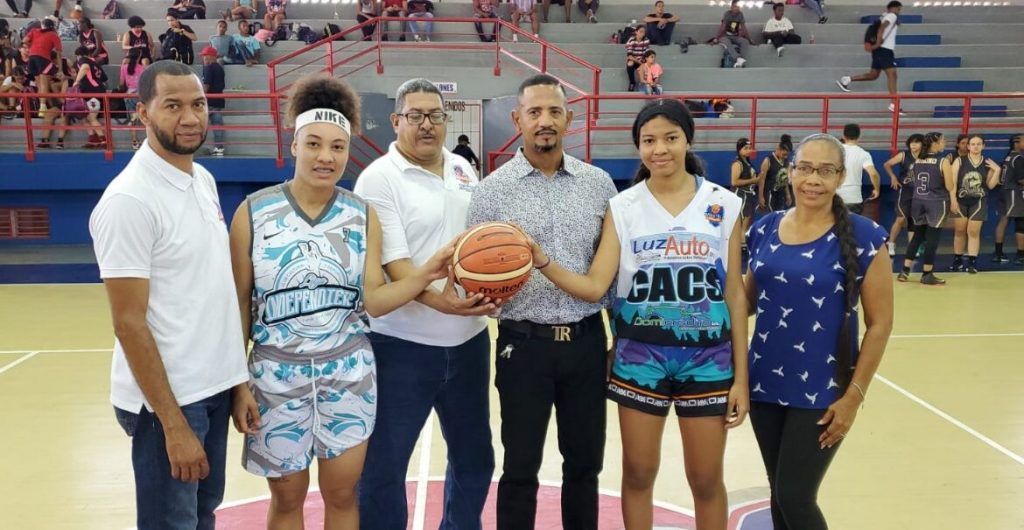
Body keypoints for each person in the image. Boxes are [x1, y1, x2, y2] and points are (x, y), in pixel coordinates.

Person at [228, 73, 456, 530]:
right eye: (313, 144)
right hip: (275, 377)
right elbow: (237, 310)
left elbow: (374, 299)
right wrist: (237, 385)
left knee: (341, 494)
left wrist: (428, 273)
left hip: (347, 374)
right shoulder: (253, 213)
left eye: (337, 146)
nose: (325, 156)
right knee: (288, 498)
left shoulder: (360, 214)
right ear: (294, 144)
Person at [530, 98, 748, 529]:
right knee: (638, 474)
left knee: (705, 479)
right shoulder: (624, 207)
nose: (659, 149)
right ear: (639, 147)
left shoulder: (723, 204)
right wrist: (542, 260)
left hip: (708, 361)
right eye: (648, 141)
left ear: (688, 140)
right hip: (639, 359)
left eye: (670, 138)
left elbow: (734, 295)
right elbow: (596, 286)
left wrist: (741, 377)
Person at [88, 60, 252, 530]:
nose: (190, 118)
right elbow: (128, 323)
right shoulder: (129, 202)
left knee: (202, 516)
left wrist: (236, 382)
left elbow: (213, 294)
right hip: (169, 404)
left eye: (198, 105)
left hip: (213, 389)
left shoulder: (200, 179)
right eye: (172, 106)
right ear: (143, 113)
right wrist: (173, 425)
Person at [467, 74, 617, 530]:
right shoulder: (491, 190)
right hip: (523, 345)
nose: (544, 121)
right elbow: (472, 278)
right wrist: (481, 294)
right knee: (519, 470)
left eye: (554, 111)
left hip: (587, 342)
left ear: (569, 119)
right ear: (518, 119)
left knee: (585, 466)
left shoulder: (600, 184)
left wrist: (617, 342)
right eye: (534, 112)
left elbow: (607, 271)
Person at [353, 78, 497, 530]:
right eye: (415, 116)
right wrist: (443, 304)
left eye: (435, 115)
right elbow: (396, 265)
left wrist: (490, 291)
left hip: (470, 344)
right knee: (383, 470)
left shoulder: (462, 169)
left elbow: (480, 247)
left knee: (475, 461)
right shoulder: (378, 178)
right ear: (396, 121)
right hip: (402, 347)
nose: (427, 125)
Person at [744, 133, 893, 530]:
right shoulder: (764, 228)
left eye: (826, 170)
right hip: (764, 382)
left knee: (795, 494)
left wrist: (853, 397)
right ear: (790, 171)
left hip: (823, 389)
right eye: (805, 168)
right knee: (778, 492)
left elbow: (880, 324)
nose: (813, 179)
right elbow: (742, 302)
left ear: (841, 176)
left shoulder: (866, 236)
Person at [899, 132, 953, 285]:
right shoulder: (943, 161)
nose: (944, 143)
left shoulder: (917, 160)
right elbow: (950, 186)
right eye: (943, 141)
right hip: (936, 202)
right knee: (932, 240)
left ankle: (904, 271)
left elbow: (913, 180)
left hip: (918, 201)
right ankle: (927, 274)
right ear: (934, 144)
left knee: (917, 237)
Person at [836, 1, 903, 115]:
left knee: (873, 75)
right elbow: (882, 28)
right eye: (899, 9)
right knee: (892, 74)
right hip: (884, 50)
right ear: (895, 8)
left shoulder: (885, 16)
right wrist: (877, 43)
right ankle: (894, 104)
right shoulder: (891, 16)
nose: (899, 12)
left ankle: (847, 79)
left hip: (881, 50)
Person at [948, 135, 1001, 273]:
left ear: (983, 146)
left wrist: (998, 171)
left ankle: (972, 262)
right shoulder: (959, 161)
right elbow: (952, 183)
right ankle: (957, 260)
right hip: (960, 200)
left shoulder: (987, 163)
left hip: (978, 201)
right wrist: (952, 200)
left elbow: (990, 185)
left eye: (978, 144)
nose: (975, 147)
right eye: (973, 144)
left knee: (973, 232)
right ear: (968, 146)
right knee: (959, 231)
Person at [882, 133, 923, 256]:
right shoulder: (904, 155)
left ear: (922, 144)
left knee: (914, 220)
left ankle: (912, 247)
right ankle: (891, 243)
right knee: (900, 218)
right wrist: (893, 177)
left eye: (916, 142)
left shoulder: (925, 157)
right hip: (905, 191)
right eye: (911, 142)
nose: (913, 145)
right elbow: (887, 164)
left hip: (919, 192)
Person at [837, 123, 881, 215]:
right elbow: (873, 173)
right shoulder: (863, 154)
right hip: (854, 198)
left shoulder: (835, 151)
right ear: (859, 136)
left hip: (835, 197)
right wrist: (876, 189)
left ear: (843, 136)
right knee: (853, 228)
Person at [995, 133, 1024, 264]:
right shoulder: (1018, 158)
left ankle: (998, 253)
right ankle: (1020, 255)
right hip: (1014, 192)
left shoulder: (1008, 157)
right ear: (1016, 142)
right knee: (1020, 223)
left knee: (1003, 221)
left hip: (1004, 191)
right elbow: (1021, 180)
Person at [71, 45, 107, 149]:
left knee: (91, 117)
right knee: (83, 116)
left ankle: (103, 139)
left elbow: (85, 67)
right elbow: (104, 78)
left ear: (78, 55)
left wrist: (77, 81)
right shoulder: (95, 63)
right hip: (95, 91)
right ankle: (92, 139)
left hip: (92, 92)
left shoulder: (83, 60)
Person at [24, 16, 61, 115]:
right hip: (43, 58)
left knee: (39, 83)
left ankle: (41, 107)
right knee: (44, 82)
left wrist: (32, 47)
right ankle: (42, 107)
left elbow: (24, 41)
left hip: (32, 57)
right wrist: (60, 69)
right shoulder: (54, 35)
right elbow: (59, 53)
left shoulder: (34, 31)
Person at [732, 137, 759, 257]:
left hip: (748, 195)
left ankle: (742, 247)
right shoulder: (737, 164)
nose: (749, 150)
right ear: (739, 150)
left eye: (750, 148)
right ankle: (741, 250)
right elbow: (734, 182)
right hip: (741, 194)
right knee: (741, 224)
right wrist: (754, 180)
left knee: (746, 223)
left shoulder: (747, 163)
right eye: (746, 148)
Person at [119, 47, 147, 149]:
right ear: (139, 56)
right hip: (140, 95)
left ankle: (134, 142)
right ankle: (149, 141)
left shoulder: (123, 67)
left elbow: (121, 84)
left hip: (129, 95)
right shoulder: (142, 68)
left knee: (132, 118)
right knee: (146, 117)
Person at [757, 134, 793, 212]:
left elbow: (785, 179)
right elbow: (761, 180)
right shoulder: (768, 161)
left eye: (787, 155)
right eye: (784, 154)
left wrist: (788, 194)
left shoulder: (786, 162)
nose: (786, 157)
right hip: (769, 194)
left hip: (780, 194)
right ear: (778, 149)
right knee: (771, 217)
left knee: (779, 217)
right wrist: (760, 196)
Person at [200, 46, 225, 156]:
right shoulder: (219, 68)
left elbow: (206, 85)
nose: (204, 58)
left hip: (209, 101)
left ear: (211, 56)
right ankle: (219, 147)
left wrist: (200, 98)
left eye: (205, 56)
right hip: (218, 100)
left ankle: (196, 146)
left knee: (199, 124)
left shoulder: (209, 68)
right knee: (217, 124)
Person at [713, 0, 752, 68]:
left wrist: (749, 40)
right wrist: (716, 38)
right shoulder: (727, 14)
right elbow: (723, 28)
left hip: (735, 36)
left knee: (745, 42)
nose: (737, 8)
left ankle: (740, 61)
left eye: (738, 7)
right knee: (727, 42)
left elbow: (744, 28)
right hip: (725, 36)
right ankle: (738, 58)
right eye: (735, 6)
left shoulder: (740, 14)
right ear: (731, 7)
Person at [624, 25, 649, 92]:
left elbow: (647, 53)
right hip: (633, 59)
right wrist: (638, 61)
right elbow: (629, 56)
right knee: (630, 64)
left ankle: (644, 84)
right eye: (640, 32)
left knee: (645, 66)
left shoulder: (646, 40)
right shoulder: (631, 40)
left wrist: (642, 60)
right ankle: (632, 82)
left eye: (644, 32)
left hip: (642, 59)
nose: (642, 34)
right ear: (636, 32)